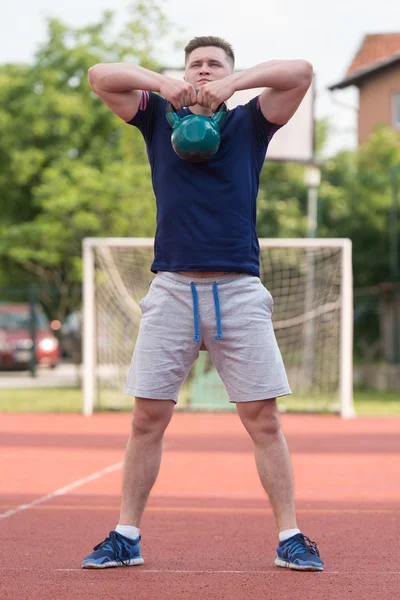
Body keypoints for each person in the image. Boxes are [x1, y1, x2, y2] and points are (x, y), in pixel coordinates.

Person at [82, 36, 323, 572]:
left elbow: (301, 71)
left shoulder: (249, 123)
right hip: (171, 288)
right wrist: (163, 84)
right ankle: (126, 536)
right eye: (196, 64)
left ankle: (291, 536)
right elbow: (100, 75)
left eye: (215, 64)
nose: (205, 70)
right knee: (147, 417)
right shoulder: (155, 117)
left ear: (230, 75)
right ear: (183, 72)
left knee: (263, 419)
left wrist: (233, 86)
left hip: (238, 290)